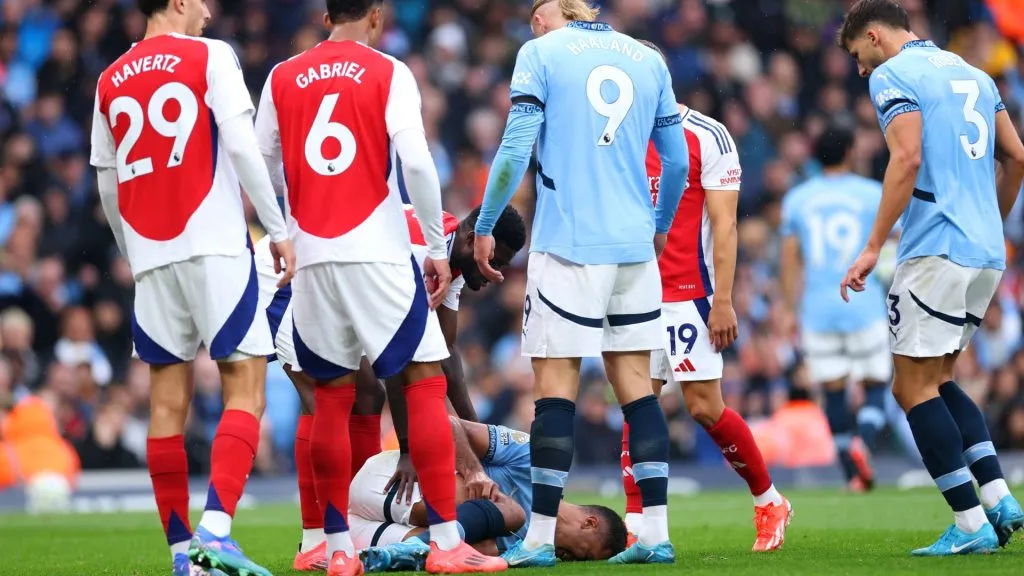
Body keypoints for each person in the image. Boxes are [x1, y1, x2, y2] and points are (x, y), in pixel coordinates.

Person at [253, 0, 507, 573]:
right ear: (375, 16)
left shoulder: (282, 75)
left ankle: (337, 550)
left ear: (326, 18)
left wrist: (285, 224)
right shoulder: (388, 70)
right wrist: (437, 250)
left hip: (312, 254)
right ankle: (446, 545)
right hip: (378, 249)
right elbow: (416, 162)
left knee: (332, 399)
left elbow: (261, 158)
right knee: (420, 382)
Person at [472, 0, 689, 566]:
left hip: (569, 245)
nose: (530, 20)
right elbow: (677, 163)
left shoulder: (541, 54)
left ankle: (541, 539)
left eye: (536, 11)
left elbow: (517, 146)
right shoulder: (646, 58)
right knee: (638, 389)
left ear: (562, 9)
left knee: (554, 391)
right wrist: (659, 228)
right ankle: (657, 535)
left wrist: (487, 223)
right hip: (633, 247)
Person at [89, 0, 295, 573]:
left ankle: (183, 556)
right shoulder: (210, 56)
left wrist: (135, 255)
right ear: (178, 2)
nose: (208, 10)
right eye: (201, 0)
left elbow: (108, 184)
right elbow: (242, 149)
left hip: (150, 255)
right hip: (213, 242)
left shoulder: (109, 78)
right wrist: (276, 230)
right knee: (246, 383)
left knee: (166, 404)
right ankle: (216, 531)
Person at [838, 0, 1024, 556]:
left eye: (856, 56)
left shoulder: (894, 74)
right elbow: (1016, 157)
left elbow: (907, 158)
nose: (859, 70)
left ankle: (970, 525)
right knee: (938, 380)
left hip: (936, 246)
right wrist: (991, 221)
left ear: (874, 36)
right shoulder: (972, 71)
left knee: (910, 387)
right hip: (985, 251)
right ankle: (998, 498)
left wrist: (874, 246)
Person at [253, 204, 527, 571]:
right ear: (470, 239)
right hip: (283, 278)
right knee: (326, 402)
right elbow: (406, 363)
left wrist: (476, 433)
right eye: (496, 261)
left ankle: (340, 531)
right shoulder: (419, 251)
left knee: (367, 396)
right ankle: (317, 539)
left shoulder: (452, 259)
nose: (496, 275)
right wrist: (408, 450)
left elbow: (440, 355)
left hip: (330, 272)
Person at [621, 39, 791, 553]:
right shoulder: (615, 132)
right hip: (630, 290)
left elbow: (725, 226)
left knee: (704, 408)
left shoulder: (705, 135)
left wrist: (723, 300)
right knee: (637, 403)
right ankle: (637, 527)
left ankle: (768, 499)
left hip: (688, 294)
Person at [352, 417, 627, 572]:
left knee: (466, 542)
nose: (569, 558)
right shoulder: (533, 463)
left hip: (369, 527)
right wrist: (474, 472)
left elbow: (477, 551)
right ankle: (420, 546)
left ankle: (395, 553)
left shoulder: (528, 548)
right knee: (510, 512)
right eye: (583, 554)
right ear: (589, 523)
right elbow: (447, 423)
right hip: (395, 481)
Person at [780, 122, 890, 492]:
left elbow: (791, 257)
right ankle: (865, 442)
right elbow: (895, 241)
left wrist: (788, 305)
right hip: (863, 302)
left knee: (834, 391)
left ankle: (851, 475)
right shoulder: (873, 194)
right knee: (876, 382)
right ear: (849, 152)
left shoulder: (798, 199)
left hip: (818, 307)